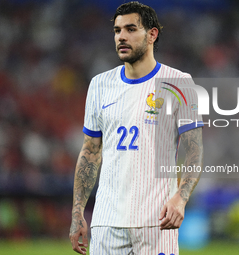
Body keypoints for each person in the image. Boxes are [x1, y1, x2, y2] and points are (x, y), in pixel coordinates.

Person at [69, 2, 204, 254]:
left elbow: (194, 151)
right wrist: (77, 210)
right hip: (107, 221)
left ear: (152, 34)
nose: (121, 36)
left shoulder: (180, 83)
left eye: (131, 29)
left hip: (157, 222)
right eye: (117, 30)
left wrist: (181, 198)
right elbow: (90, 152)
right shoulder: (99, 85)